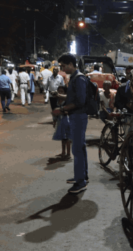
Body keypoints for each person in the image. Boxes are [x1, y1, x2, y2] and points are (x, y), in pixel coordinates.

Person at [53, 53, 89, 194]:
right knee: (80, 148)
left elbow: (79, 101)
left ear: (70, 64)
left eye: (63, 66)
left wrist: (62, 109)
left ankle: (81, 182)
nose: (62, 69)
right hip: (76, 116)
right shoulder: (74, 78)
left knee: (77, 150)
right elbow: (72, 96)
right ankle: (82, 176)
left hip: (78, 117)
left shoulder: (78, 78)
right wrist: (61, 97)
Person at [52, 86, 72, 159]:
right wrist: (54, 121)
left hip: (67, 120)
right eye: (59, 91)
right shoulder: (57, 101)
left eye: (62, 91)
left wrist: (60, 111)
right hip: (60, 121)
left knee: (67, 138)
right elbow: (54, 112)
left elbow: (69, 111)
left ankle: (68, 153)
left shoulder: (67, 101)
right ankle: (63, 152)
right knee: (63, 137)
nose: (60, 93)